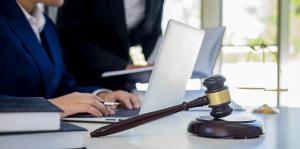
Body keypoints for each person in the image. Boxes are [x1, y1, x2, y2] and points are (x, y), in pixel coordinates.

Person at [0, 0, 140, 118]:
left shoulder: (45, 24)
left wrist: (102, 97)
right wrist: (49, 107)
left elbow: (60, 87)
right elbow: (55, 101)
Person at [56, 0, 164, 90]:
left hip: (125, 86)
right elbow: (69, 35)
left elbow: (152, 34)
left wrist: (155, 66)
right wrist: (122, 67)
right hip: (82, 81)